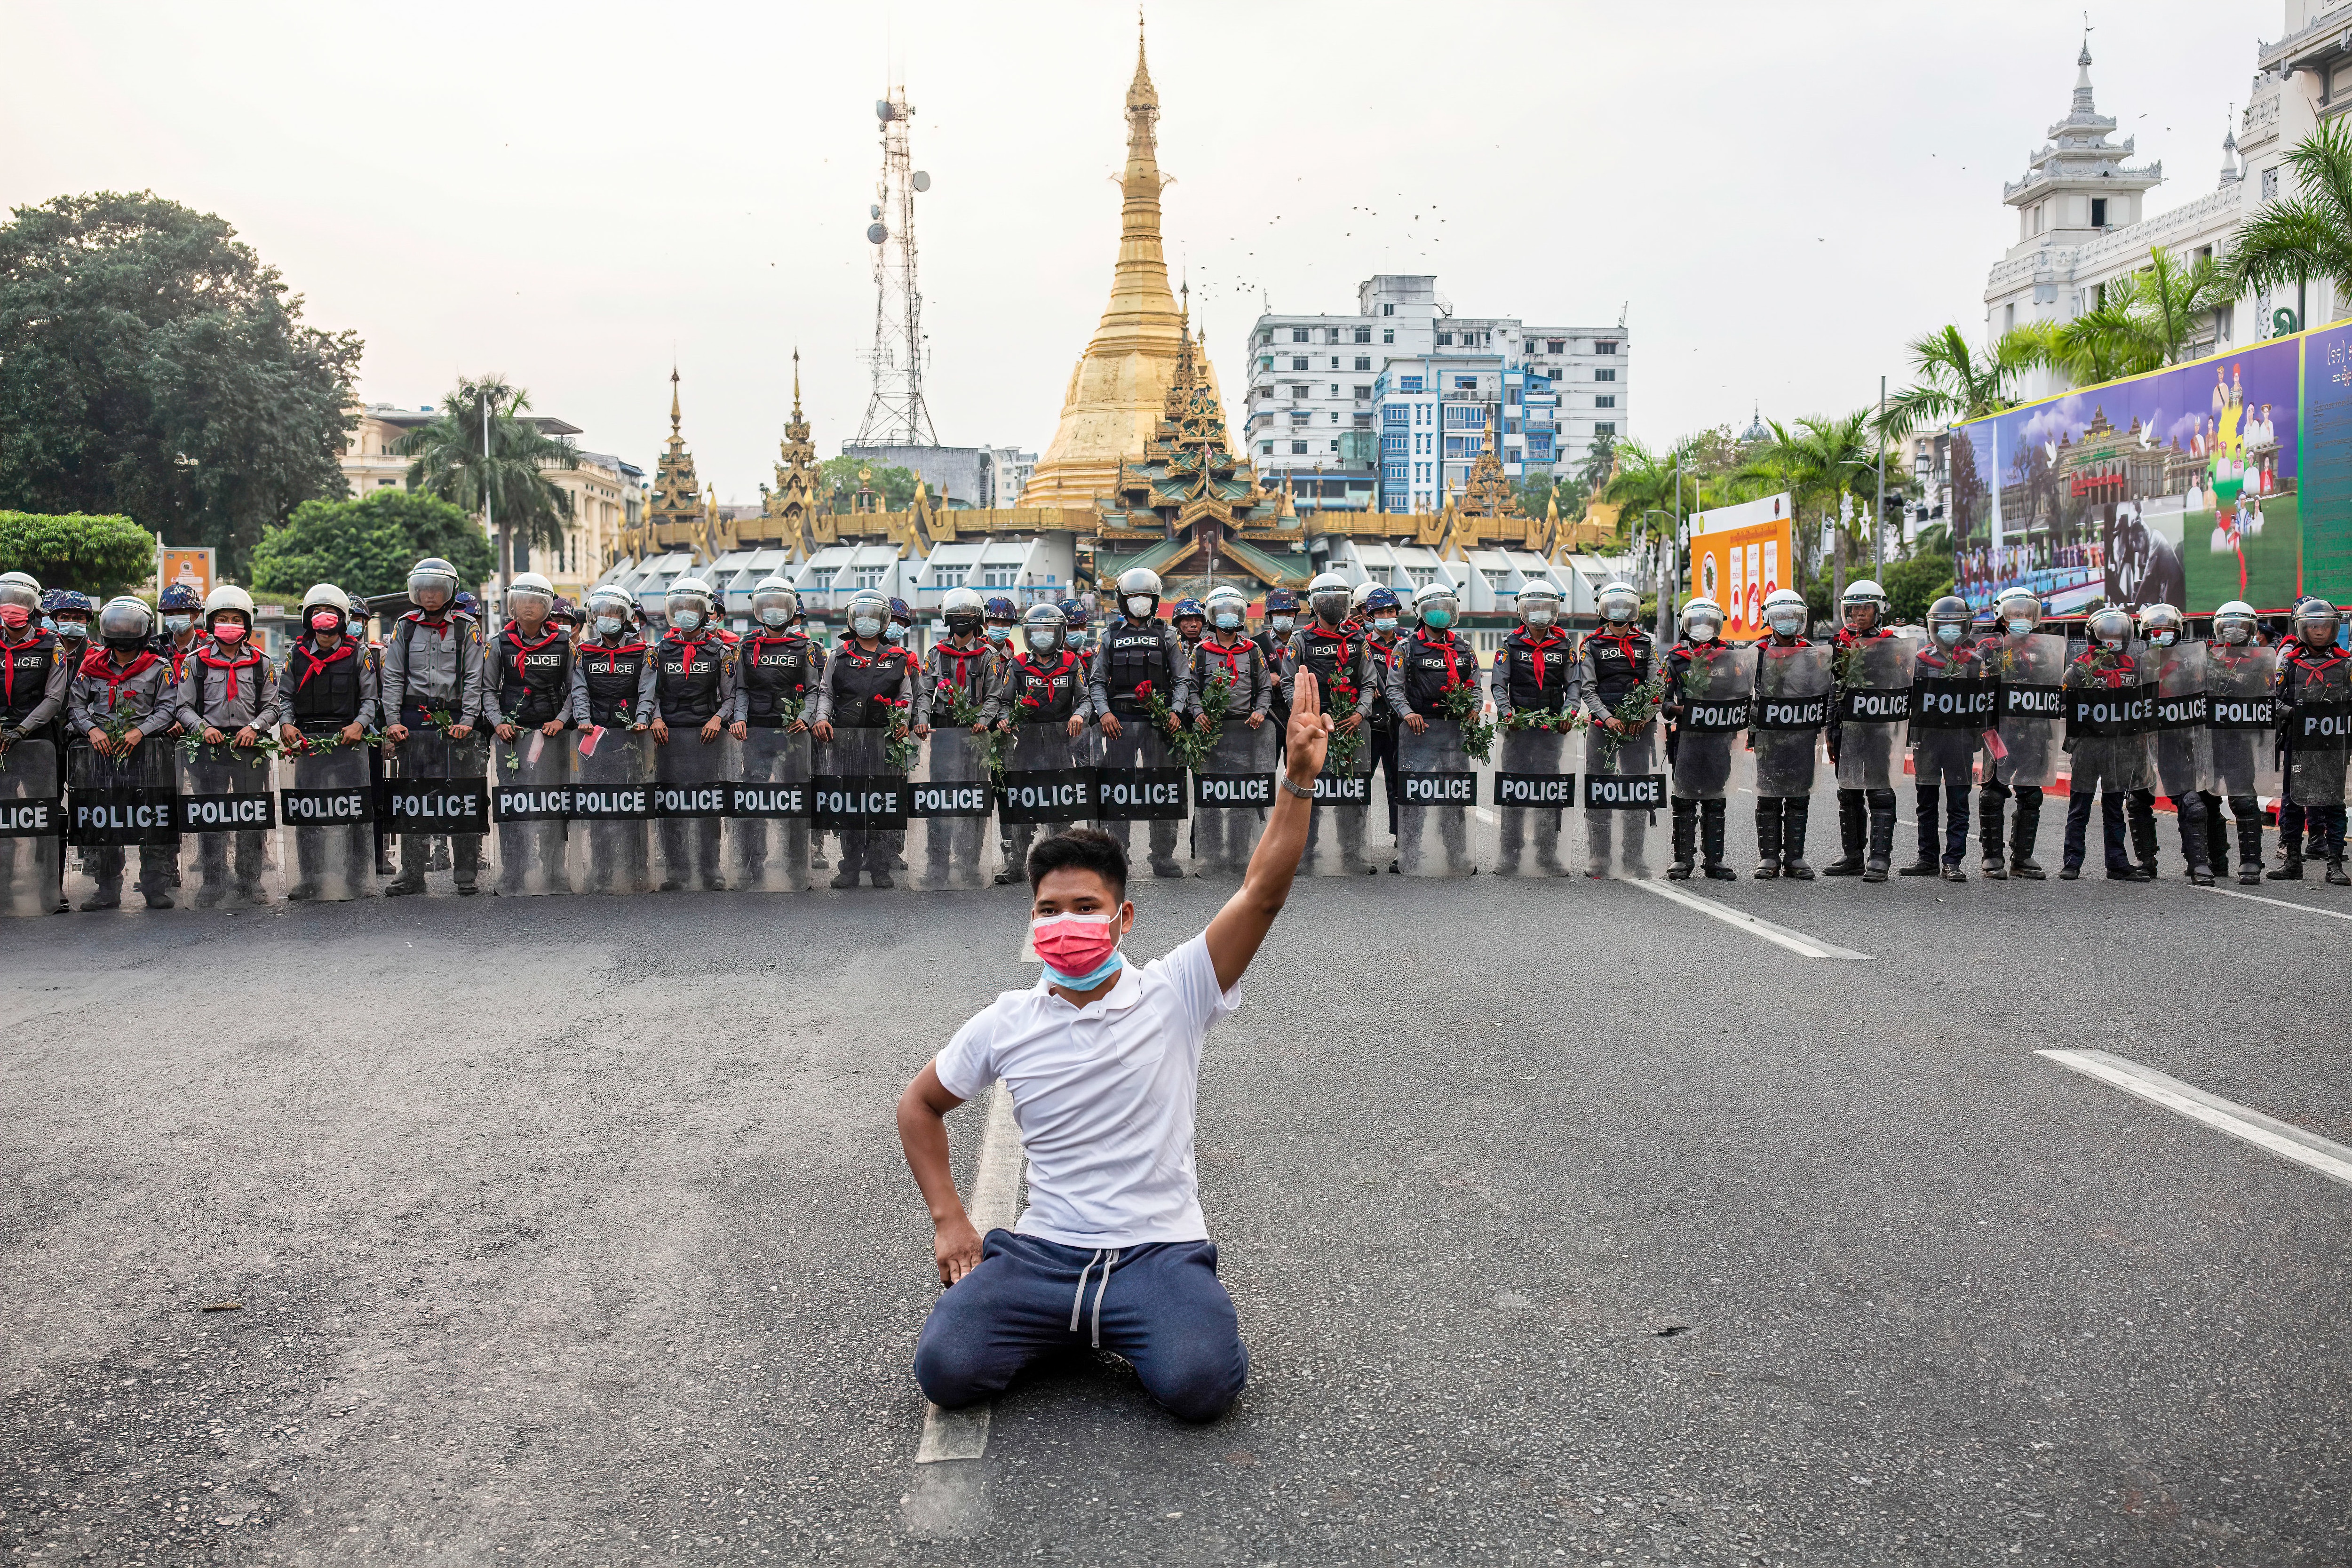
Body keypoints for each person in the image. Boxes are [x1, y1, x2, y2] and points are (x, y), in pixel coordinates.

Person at [899, 668, 1335, 1425]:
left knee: (1203, 1386)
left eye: (1085, 908)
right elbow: (919, 1105)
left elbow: (1263, 890)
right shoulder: (1007, 1019)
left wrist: (1295, 782)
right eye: (1048, 910)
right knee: (945, 1371)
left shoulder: (1177, 990)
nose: (1064, 922)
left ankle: (1102, 1324)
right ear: (1032, 922)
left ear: (1122, 917)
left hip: (1157, 1252)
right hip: (1043, 1254)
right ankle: (1070, 1325)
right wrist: (950, 1217)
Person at [380, 558, 487, 895]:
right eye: (424, 589)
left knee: (462, 795)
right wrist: (393, 721)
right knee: (414, 796)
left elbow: (474, 678)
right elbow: (394, 675)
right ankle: (412, 872)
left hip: (456, 721)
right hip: (414, 721)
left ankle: (466, 870)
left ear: (449, 591)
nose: (430, 595)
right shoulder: (405, 626)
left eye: (437, 589)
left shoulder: (466, 627)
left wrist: (469, 720)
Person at [67, 597, 180, 910]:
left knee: (153, 818)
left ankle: (155, 887)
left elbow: (169, 708)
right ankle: (106, 890)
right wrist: (92, 729)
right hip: (102, 756)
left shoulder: (159, 667)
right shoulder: (92, 665)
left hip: (148, 755)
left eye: (129, 625)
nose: (122, 632)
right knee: (103, 821)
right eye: (116, 625)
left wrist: (140, 731)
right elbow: (75, 705)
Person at [174, 585, 280, 907]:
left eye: (236, 618)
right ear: (210, 622)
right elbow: (183, 707)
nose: (230, 624)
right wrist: (202, 728)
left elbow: (273, 707)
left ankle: (250, 880)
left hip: (249, 747)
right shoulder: (196, 662)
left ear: (247, 624)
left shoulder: (262, 662)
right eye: (223, 618)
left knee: (251, 816)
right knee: (211, 816)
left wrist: (255, 727)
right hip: (210, 746)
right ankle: (213, 881)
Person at [276, 583, 379, 901]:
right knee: (309, 814)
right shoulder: (296, 654)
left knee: (354, 811)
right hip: (309, 743)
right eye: (317, 613)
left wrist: (360, 725)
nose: (324, 619)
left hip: (348, 743)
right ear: (308, 619)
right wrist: (287, 724)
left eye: (331, 613)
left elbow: (370, 700)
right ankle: (310, 878)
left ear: (343, 619)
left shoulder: (359, 654)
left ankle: (358, 877)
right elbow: (284, 697)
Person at [1088, 567, 1191, 879]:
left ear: (1156, 600)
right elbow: (1095, 683)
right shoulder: (1109, 637)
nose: (1140, 603)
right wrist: (1105, 712)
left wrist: (1175, 710)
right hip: (1120, 724)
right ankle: (1118, 854)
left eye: (1146, 597)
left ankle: (1163, 855)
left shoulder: (1168, 636)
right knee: (1118, 789)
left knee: (1163, 787)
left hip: (1160, 726)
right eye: (1134, 598)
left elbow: (1183, 679)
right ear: (1123, 601)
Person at [813, 588, 916, 889]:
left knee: (882, 804)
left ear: (884, 622)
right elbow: (826, 692)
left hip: (884, 743)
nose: (868, 623)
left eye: (874, 617)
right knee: (851, 804)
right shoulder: (839, 656)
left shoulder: (897, 658)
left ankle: (880, 866)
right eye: (862, 616)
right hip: (846, 743)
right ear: (852, 620)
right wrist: (821, 718)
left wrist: (904, 722)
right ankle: (849, 868)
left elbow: (906, 696)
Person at [985, 600, 1093, 885]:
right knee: (1023, 803)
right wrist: (1006, 719)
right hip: (1027, 745)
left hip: (1061, 745)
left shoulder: (1072, 663)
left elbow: (1085, 699)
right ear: (1029, 634)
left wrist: (1080, 716)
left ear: (1059, 633)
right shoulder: (1018, 664)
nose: (1043, 635)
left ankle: (1058, 865)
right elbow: (1005, 701)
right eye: (1037, 630)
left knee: (1060, 804)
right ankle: (1017, 865)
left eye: (1049, 630)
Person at [727, 577, 819, 891]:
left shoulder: (805, 647)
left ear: (791, 610)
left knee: (794, 799)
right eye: (768, 607)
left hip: (792, 736)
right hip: (755, 734)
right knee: (754, 801)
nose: (774, 613)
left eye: (781, 607)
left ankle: (796, 864)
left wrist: (806, 718)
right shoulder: (746, 646)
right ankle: (754, 863)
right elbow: (741, 690)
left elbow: (813, 691)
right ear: (759, 610)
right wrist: (739, 718)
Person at [486, 572, 574, 896]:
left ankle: (554, 870)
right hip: (513, 737)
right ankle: (514, 872)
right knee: (513, 805)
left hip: (552, 739)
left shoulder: (565, 645)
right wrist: (498, 722)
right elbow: (487, 689)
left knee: (554, 805)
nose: (527, 607)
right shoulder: (499, 644)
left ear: (546, 606)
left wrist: (562, 720)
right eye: (521, 601)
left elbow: (575, 690)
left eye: (535, 601)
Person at [1384, 581, 1479, 875]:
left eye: (1445, 608)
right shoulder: (1406, 648)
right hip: (1419, 733)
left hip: (1454, 734)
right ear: (1421, 614)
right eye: (1434, 609)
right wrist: (1407, 713)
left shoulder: (1464, 648)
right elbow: (1394, 690)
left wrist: (1475, 709)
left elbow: (1475, 685)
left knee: (1455, 796)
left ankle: (1456, 855)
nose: (1440, 614)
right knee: (1415, 795)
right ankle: (1409, 853)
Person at [568, 585, 659, 895]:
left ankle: (636, 868)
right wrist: (583, 719)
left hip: (630, 739)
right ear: (595, 616)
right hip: (594, 739)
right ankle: (602, 869)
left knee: (634, 806)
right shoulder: (584, 651)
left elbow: (647, 690)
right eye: (603, 613)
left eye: (614, 613)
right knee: (598, 806)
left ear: (625, 617)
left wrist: (643, 719)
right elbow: (579, 689)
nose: (608, 619)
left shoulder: (642, 651)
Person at [1286, 572, 1376, 875]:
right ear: (1315, 604)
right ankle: (1305, 852)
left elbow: (1368, 682)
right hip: (1315, 727)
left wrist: (1360, 713)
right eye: (1328, 601)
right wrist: (1304, 715)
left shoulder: (1358, 640)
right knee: (1310, 788)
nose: (1335, 607)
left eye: (1340, 601)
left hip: (1352, 724)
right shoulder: (1300, 640)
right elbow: (1288, 683)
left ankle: (1352, 853)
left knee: (1351, 788)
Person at [650, 577, 735, 892]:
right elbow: (650, 693)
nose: (685, 613)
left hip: (706, 739)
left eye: (691, 608)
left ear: (704, 612)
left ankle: (710, 869)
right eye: (679, 608)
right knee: (671, 805)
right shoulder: (660, 650)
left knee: (707, 806)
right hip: (667, 739)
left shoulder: (720, 652)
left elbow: (731, 698)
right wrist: (656, 718)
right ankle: (677, 871)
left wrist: (717, 718)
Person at [1487, 579, 1578, 876]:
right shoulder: (1509, 645)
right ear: (1522, 611)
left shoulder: (1565, 647)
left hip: (1551, 732)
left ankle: (1547, 855)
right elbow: (1499, 685)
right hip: (1517, 731)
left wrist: (1569, 712)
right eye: (1533, 608)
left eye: (1546, 608)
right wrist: (1507, 712)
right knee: (1515, 790)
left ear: (1555, 612)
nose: (1540, 613)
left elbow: (1574, 686)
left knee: (1548, 793)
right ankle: (1510, 856)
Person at [1186, 583, 1274, 876]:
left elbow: (1264, 688)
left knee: (1242, 795)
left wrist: (1261, 712)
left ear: (1240, 616)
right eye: (1221, 612)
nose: (1227, 617)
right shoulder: (1200, 652)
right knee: (1211, 794)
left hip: (1245, 731)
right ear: (1212, 616)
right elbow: (1191, 689)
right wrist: (1198, 713)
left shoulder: (1253, 650)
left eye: (1232, 612)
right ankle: (1211, 855)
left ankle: (1239, 854)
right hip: (1212, 732)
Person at [2060, 606, 2153, 881]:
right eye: (2106, 635)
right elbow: (2062, 704)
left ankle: (2117, 864)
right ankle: (2071, 862)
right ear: (2094, 637)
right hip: (2087, 747)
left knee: (2114, 808)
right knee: (2080, 806)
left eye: (2117, 635)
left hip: (2120, 748)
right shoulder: (2077, 670)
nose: (2111, 641)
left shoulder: (2135, 671)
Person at [1899, 595, 1986, 882]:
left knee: (1959, 801)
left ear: (1966, 627)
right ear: (1932, 627)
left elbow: (1983, 703)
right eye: (1942, 626)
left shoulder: (1975, 663)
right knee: (1926, 801)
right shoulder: (1919, 661)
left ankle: (1953, 861)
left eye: (1955, 626)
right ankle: (1927, 859)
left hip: (1960, 741)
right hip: (1928, 740)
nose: (1948, 632)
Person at [0, 571, 71, 914]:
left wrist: (21, 730)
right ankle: (3, 892)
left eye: (19, 604)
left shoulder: (51, 645)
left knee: (45, 814)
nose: (11, 610)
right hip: (0, 744)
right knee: (2, 817)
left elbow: (55, 698)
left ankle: (49, 892)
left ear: (33, 608)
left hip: (39, 740)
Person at [918, 586, 998, 888]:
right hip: (943, 736)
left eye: (967, 616)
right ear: (947, 619)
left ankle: (969, 864)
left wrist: (982, 719)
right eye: (956, 616)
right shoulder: (936, 655)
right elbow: (925, 692)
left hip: (976, 738)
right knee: (939, 800)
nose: (961, 621)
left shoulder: (988, 656)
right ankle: (936, 864)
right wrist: (922, 719)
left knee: (973, 801)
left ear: (977, 620)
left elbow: (994, 697)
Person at [1577, 581, 1658, 878]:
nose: (1621, 613)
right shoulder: (1590, 645)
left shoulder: (1647, 644)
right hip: (1602, 727)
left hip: (1639, 729)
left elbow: (1657, 686)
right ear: (1603, 610)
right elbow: (1588, 689)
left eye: (1627, 607)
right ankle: (1599, 858)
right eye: (1614, 607)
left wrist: (1645, 714)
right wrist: (1607, 717)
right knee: (1600, 790)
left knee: (1637, 791)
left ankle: (1634, 858)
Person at [1824, 579, 1902, 882]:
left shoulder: (1891, 644)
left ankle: (1880, 859)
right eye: (1854, 608)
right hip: (1846, 729)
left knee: (1880, 792)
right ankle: (1853, 856)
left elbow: (1902, 689)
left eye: (1866, 608)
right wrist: (1831, 732)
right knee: (1849, 793)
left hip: (1879, 730)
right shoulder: (1838, 644)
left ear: (1878, 610)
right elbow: (1833, 691)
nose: (1859, 614)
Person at [2268, 596, 2350, 883]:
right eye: (2312, 626)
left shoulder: (2346, 665)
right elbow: (2271, 701)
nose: (2318, 631)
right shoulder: (2289, 664)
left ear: (2334, 628)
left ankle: (2335, 865)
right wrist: (2292, 712)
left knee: (2334, 801)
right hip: (2297, 744)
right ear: (2301, 628)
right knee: (2292, 801)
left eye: (2323, 626)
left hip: (2334, 745)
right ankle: (2292, 861)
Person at [1978, 587, 2057, 880]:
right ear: (2001, 614)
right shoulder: (1988, 647)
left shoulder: (2046, 648)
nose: (2021, 618)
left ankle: (2022, 858)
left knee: (2031, 794)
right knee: (1993, 793)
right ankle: (1992, 858)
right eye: (2015, 613)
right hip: (1998, 732)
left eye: (2027, 613)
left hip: (2035, 731)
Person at [1660, 594, 1739, 881]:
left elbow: (1742, 696)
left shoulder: (1731, 657)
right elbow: (1664, 703)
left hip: (1719, 738)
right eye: (1697, 622)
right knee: (1684, 798)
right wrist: (1684, 709)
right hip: (1686, 737)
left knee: (1715, 798)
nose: (1703, 628)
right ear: (1685, 625)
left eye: (1709, 622)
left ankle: (1714, 861)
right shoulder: (1676, 659)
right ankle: (1682, 859)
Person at [2136, 602, 2215, 885]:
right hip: (2140, 744)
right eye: (2154, 632)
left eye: (2166, 631)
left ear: (2178, 632)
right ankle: (2146, 861)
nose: (2160, 636)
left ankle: (2199, 864)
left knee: (2192, 803)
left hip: (2177, 744)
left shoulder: (2191, 665)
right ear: (2144, 634)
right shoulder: (2135, 665)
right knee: (2137, 801)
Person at [1749, 586, 1824, 879]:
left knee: (1798, 796)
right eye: (1781, 616)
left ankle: (1795, 858)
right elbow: (1747, 694)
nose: (1788, 622)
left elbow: (1822, 692)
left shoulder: (1813, 653)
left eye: (1793, 617)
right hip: (1769, 735)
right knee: (1768, 795)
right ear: (1769, 618)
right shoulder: (1757, 652)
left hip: (1801, 735)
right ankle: (1768, 857)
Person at [2202, 600, 2271, 885]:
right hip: (2209, 741)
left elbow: (2272, 697)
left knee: (2244, 801)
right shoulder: (2207, 659)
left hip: (2240, 741)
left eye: (2240, 627)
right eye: (2227, 627)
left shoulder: (2263, 661)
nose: (2233, 632)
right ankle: (2216, 860)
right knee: (2206, 802)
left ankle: (2251, 862)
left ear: (2252, 629)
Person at [1359, 586, 1406, 849]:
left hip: (1399, 725)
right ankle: (1355, 840)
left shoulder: (1407, 643)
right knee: (1359, 782)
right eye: (1381, 612)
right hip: (1369, 724)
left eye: (1391, 611)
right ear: (1370, 615)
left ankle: (1402, 838)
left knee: (1398, 783)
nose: (1387, 616)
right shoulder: (1361, 644)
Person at [1171, 597, 1207, 665]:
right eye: (1188, 620)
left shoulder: (1209, 648)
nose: (1194, 625)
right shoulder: (1170, 648)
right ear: (1178, 623)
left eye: (1198, 620)